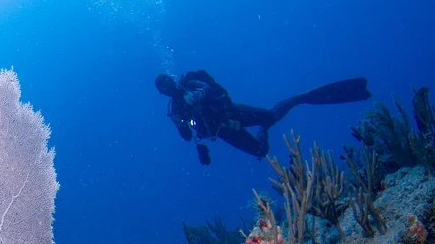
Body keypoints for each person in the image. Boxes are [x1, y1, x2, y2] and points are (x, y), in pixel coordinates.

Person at [155, 71, 370, 165]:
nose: (169, 87)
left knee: (271, 116)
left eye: (168, 82)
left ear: (172, 80)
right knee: (261, 151)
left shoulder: (192, 84)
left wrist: (204, 94)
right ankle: (264, 130)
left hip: (233, 112)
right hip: (224, 132)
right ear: (162, 93)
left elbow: (220, 91)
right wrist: (179, 124)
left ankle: (298, 99)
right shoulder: (176, 110)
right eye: (164, 88)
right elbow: (186, 136)